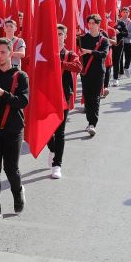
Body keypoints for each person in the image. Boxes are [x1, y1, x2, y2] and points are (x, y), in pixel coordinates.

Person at [0, 38, 29, 225]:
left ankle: (18, 193)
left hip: (13, 129)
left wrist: (4, 94)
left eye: (3, 52)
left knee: (11, 168)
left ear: (11, 53)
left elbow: (23, 102)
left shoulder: (20, 76)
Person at [47, 24, 82, 179]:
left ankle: (57, 165)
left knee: (59, 132)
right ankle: (53, 149)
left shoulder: (69, 53)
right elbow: (31, 60)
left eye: (61, 33)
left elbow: (78, 67)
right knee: (48, 130)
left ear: (65, 36)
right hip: (47, 96)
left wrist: (60, 63)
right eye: (56, 34)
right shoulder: (45, 52)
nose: (58, 36)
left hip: (63, 95)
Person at [78, 14, 109, 137]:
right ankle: (89, 120)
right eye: (89, 23)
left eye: (93, 23)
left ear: (98, 24)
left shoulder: (103, 40)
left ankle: (92, 123)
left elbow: (103, 54)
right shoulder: (83, 38)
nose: (91, 25)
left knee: (95, 97)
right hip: (85, 72)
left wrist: (89, 51)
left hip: (98, 73)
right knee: (87, 97)